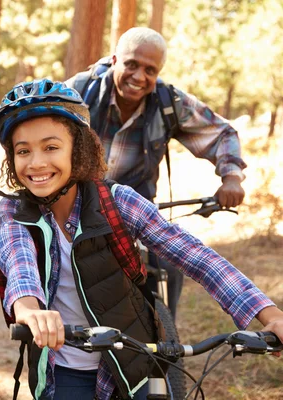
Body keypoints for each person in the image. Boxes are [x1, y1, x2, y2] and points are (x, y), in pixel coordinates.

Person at [0, 79, 283, 400]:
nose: (36, 162)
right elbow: (20, 269)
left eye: (51, 147)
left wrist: (271, 316)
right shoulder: (15, 211)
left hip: (135, 361)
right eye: (23, 151)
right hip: (66, 369)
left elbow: (197, 258)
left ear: (78, 148)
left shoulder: (117, 201)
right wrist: (30, 311)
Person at [64, 27, 247, 319]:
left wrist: (232, 177)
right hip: (74, 207)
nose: (139, 77)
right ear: (114, 60)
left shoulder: (168, 103)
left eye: (150, 70)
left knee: (167, 266)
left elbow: (222, 133)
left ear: (158, 72)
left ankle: (165, 349)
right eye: (132, 64)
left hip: (136, 212)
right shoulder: (79, 92)